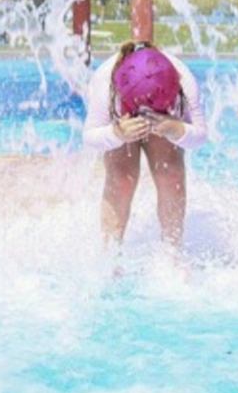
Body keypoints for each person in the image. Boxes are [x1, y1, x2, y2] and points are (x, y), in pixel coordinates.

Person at [82, 42, 207, 250]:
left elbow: (201, 135)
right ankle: (110, 252)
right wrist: (116, 133)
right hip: (122, 119)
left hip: (165, 117)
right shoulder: (105, 82)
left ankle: (173, 250)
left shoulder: (184, 80)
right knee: (121, 176)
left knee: (171, 172)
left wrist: (176, 129)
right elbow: (89, 137)